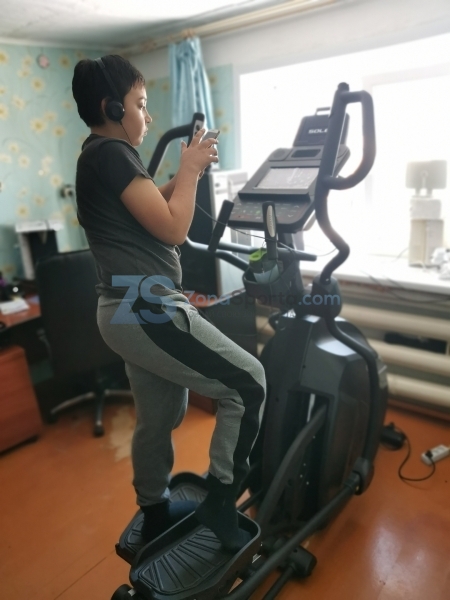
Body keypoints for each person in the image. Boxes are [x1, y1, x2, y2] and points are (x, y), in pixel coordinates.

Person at [72, 54, 266, 552]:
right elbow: (175, 228)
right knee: (248, 384)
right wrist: (192, 171)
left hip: (123, 307)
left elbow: (150, 208)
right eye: (140, 104)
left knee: (160, 414)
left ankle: (154, 509)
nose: (147, 114)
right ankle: (221, 499)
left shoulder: (96, 154)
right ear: (113, 107)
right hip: (145, 305)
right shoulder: (113, 153)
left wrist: (184, 174)